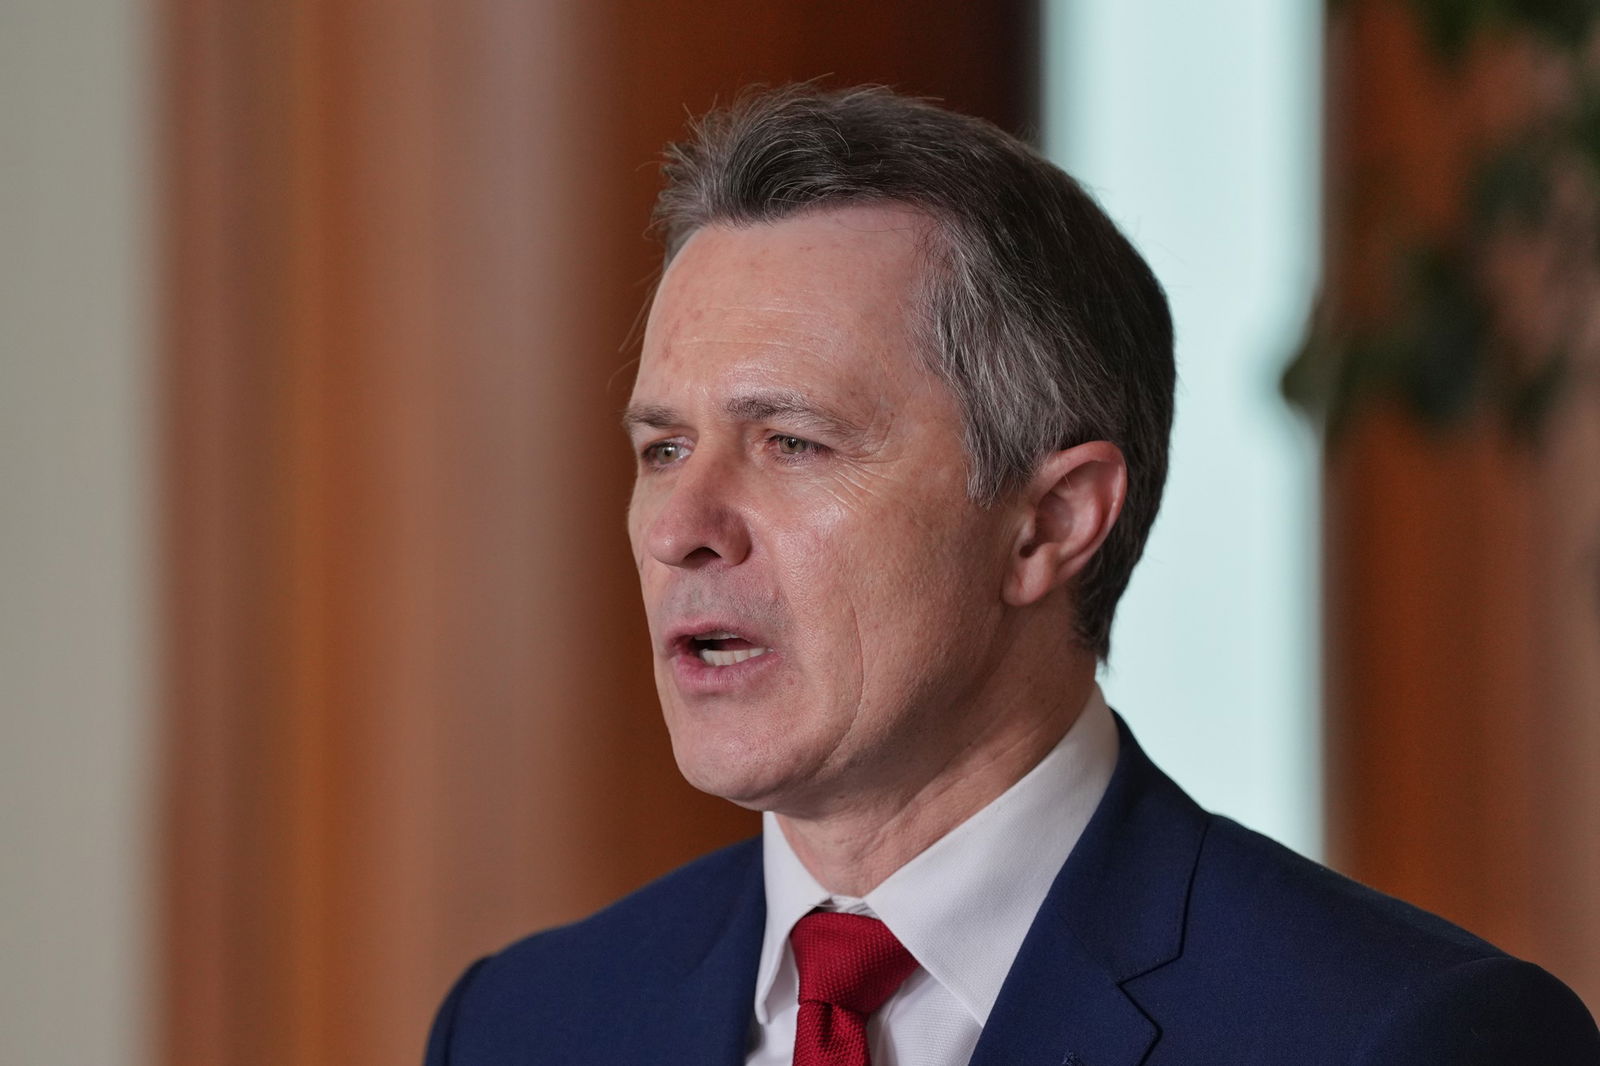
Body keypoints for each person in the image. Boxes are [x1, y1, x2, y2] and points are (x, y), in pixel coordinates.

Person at [425, 85, 1599, 1066]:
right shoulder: (523, 1024)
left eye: (792, 441)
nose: (680, 524)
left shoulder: (1399, 1036)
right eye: (663, 447)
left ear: (1049, 523)